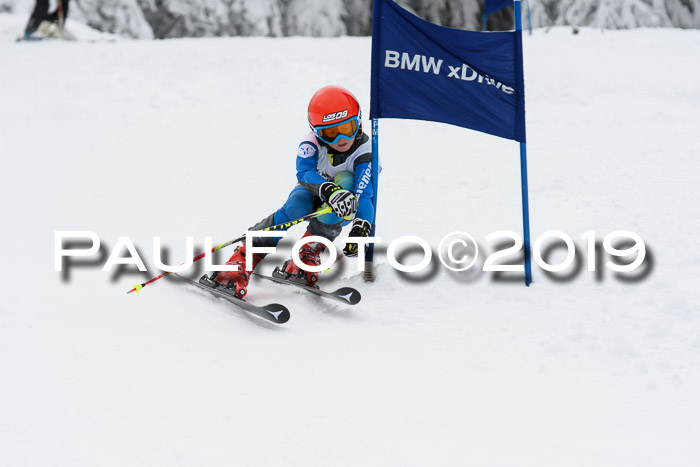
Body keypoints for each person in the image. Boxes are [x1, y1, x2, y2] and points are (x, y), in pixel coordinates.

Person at [210, 85, 377, 297]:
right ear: (317, 132)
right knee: (296, 205)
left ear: (359, 123)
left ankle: (307, 252)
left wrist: (361, 227)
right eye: (330, 133)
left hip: (341, 205)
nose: (340, 139)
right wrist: (328, 190)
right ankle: (243, 258)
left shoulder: (366, 152)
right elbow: (304, 172)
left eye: (346, 129)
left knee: (343, 191)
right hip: (312, 191)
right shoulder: (311, 144)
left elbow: (365, 192)